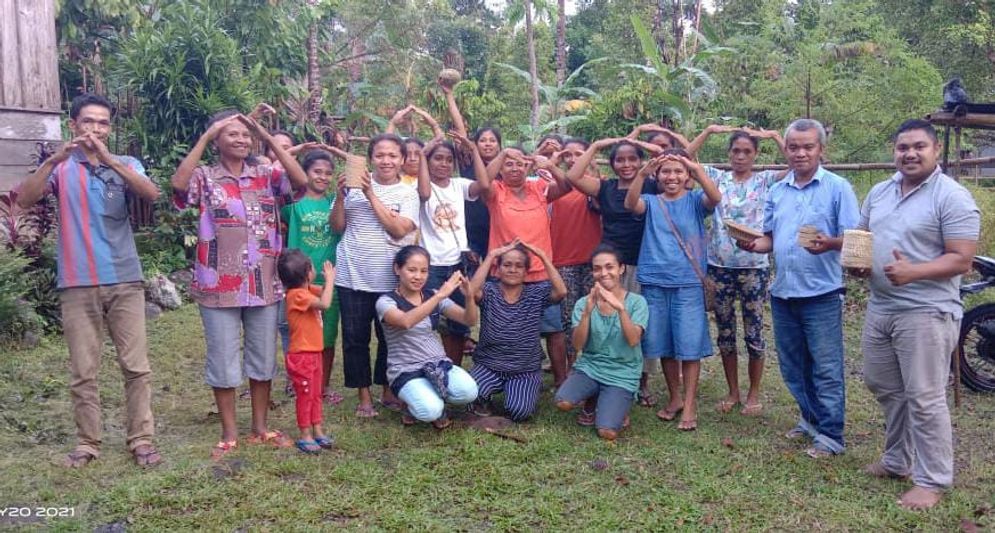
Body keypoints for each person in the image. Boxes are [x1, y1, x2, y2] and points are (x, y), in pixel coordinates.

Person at [16, 93, 162, 468]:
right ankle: (87, 443)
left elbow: (151, 193)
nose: (95, 129)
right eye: (88, 122)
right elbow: (23, 200)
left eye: (103, 123)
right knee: (84, 370)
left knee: (136, 366)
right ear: (74, 125)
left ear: (109, 128)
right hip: (77, 282)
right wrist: (52, 160)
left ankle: (142, 440)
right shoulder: (61, 168)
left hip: (125, 278)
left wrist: (111, 160)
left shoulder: (126, 163)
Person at [854, 119, 979, 509]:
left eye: (918, 147)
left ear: (935, 150)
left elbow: (963, 259)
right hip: (881, 306)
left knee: (924, 397)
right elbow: (864, 238)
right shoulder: (880, 191)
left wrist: (913, 272)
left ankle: (932, 479)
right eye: (902, 147)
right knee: (883, 385)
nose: (909, 153)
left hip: (927, 311)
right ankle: (896, 460)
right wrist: (856, 262)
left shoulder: (951, 197)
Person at [172, 109, 309, 459]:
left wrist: (264, 134)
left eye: (245, 135)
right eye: (231, 133)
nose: (241, 139)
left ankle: (260, 428)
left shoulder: (265, 173)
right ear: (216, 138)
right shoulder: (205, 176)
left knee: (262, 358)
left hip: (263, 281)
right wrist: (203, 137)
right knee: (223, 358)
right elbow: (178, 187)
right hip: (217, 283)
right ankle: (229, 432)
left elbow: (299, 182)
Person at [739, 118, 860, 458]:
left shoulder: (838, 188)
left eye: (808, 147)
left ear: (821, 149)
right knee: (793, 365)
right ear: (786, 150)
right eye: (794, 147)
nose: (800, 153)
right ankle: (809, 419)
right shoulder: (778, 190)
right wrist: (753, 244)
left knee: (826, 366)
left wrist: (830, 242)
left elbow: (854, 240)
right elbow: (771, 239)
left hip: (821, 292)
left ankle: (832, 434)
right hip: (783, 292)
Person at [686, 126, 786, 416]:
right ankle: (733, 391)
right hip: (719, 268)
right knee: (726, 331)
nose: (741, 156)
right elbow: (684, 157)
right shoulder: (717, 177)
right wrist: (708, 131)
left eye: (747, 152)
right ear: (728, 153)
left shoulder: (766, 181)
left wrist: (776, 138)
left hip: (754, 269)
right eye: (736, 151)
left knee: (754, 332)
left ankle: (754, 393)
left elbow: (794, 164)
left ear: (755, 155)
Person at [624, 150, 721, 431]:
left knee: (689, 347)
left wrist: (695, 167)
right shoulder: (652, 202)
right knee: (662, 343)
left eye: (678, 171)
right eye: (666, 171)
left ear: (687, 175)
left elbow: (715, 197)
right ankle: (675, 397)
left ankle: (690, 404)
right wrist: (642, 174)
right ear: (657, 175)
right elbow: (631, 203)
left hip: (688, 283)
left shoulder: (694, 201)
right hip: (654, 281)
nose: (672, 177)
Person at [565, 138, 663, 406]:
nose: (626, 164)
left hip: (643, 262)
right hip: (610, 268)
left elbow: (681, 168)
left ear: (641, 161)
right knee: (604, 318)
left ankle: (641, 382)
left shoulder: (652, 185)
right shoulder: (605, 188)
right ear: (611, 164)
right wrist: (594, 147)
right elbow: (573, 176)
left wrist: (649, 147)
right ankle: (600, 373)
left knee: (639, 323)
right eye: (620, 159)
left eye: (633, 158)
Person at [331, 134, 420, 418]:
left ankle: (387, 389)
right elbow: (337, 227)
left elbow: (398, 229)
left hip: (390, 280)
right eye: (380, 155)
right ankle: (364, 396)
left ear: (403, 160)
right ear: (371, 159)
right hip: (352, 275)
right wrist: (341, 198)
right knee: (355, 338)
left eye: (393, 155)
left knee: (389, 338)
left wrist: (370, 194)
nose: (386, 161)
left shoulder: (408, 193)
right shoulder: (352, 189)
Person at [482, 147, 572, 386]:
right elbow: (482, 181)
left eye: (520, 164)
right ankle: (498, 373)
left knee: (553, 329)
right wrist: (500, 154)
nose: (515, 168)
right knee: (500, 327)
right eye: (509, 164)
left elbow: (567, 186)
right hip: (505, 274)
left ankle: (561, 380)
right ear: (501, 168)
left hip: (540, 274)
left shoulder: (538, 188)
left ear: (528, 166)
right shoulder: (495, 191)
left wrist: (550, 166)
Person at [377, 246, 480, 428]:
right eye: (412, 270)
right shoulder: (386, 301)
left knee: (469, 392)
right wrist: (440, 295)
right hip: (405, 370)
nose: (418, 276)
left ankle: (428, 393)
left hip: (437, 364)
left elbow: (469, 319)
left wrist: (470, 297)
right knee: (430, 410)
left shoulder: (431, 295)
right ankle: (414, 404)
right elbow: (406, 321)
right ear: (397, 269)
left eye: (424, 271)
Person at [555, 245, 649, 441]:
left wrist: (620, 309)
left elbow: (633, 340)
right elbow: (578, 345)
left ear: (621, 268)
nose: (603, 273)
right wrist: (588, 313)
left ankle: (615, 404)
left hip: (623, 371)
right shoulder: (583, 303)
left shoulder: (637, 302)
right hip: (591, 367)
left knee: (607, 432)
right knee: (562, 402)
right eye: (597, 268)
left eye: (609, 267)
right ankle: (594, 396)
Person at [468, 241, 567, 421]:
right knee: (468, 394)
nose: (512, 269)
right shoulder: (489, 291)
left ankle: (517, 393)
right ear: (498, 269)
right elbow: (471, 291)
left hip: (524, 370)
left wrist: (543, 257)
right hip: (489, 365)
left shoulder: (536, 293)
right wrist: (491, 256)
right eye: (507, 265)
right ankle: (484, 400)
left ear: (526, 271)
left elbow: (561, 291)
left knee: (519, 412)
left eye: (519, 266)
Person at [416, 133, 490, 365]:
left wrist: (474, 150)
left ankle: (453, 369)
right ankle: (425, 366)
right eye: (437, 158)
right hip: (431, 265)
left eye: (449, 159)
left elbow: (484, 184)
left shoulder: (460, 185)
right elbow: (425, 193)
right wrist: (421, 154)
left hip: (457, 264)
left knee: (458, 325)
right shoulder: (421, 188)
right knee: (427, 320)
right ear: (428, 162)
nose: (444, 164)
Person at [281, 149, 344, 405]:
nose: (323, 177)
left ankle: (324, 385)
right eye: (317, 171)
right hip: (300, 282)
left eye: (328, 173)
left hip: (329, 279)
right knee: (300, 336)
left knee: (327, 335)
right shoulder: (292, 206)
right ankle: (297, 381)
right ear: (304, 173)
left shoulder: (334, 203)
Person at [276, 250, 337, 454]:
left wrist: (328, 282)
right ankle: (305, 435)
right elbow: (326, 303)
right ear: (306, 273)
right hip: (302, 356)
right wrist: (329, 279)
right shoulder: (297, 295)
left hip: (314, 353)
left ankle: (317, 430)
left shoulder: (305, 289)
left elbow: (325, 291)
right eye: (311, 267)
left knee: (316, 394)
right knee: (306, 395)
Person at [551, 138, 602, 368]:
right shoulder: (554, 186)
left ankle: (595, 362)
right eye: (567, 155)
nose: (573, 159)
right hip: (564, 260)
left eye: (579, 154)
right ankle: (571, 366)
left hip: (594, 261)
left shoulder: (598, 184)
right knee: (569, 315)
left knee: (596, 312)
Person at [441, 78, 502, 260]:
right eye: (483, 140)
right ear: (475, 144)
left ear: (499, 146)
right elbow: (460, 130)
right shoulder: (468, 161)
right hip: (470, 229)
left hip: (497, 229)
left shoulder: (506, 167)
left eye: (492, 141)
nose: (488, 144)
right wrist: (449, 95)